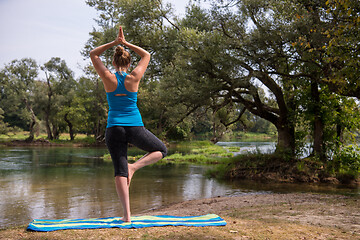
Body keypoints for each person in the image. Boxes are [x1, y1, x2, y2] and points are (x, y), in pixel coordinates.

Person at [90, 26, 167, 222]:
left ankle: (127, 216)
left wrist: (114, 43)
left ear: (114, 62)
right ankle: (134, 167)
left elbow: (93, 54)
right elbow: (146, 55)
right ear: (128, 61)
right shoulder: (134, 77)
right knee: (161, 150)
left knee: (120, 171)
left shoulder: (107, 77)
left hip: (114, 128)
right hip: (135, 126)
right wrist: (125, 43)